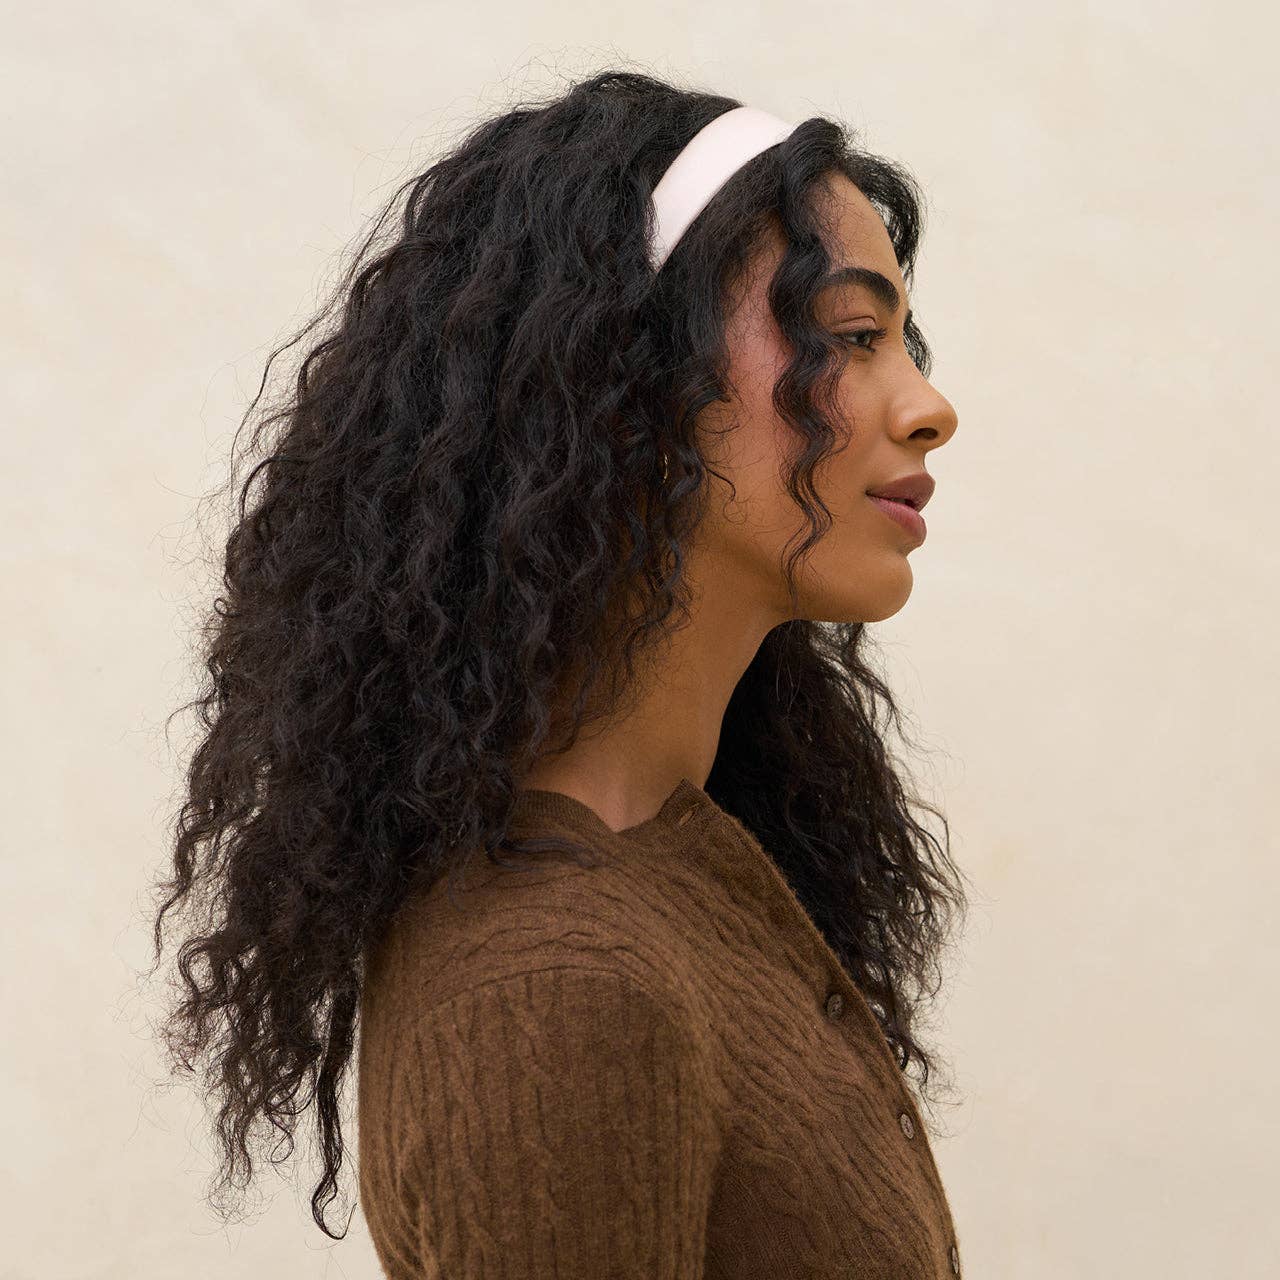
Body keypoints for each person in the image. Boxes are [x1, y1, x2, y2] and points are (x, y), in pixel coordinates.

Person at [149, 68, 970, 1278]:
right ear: (625, 382)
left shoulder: (672, 873)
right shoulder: (561, 991)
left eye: (902, 342)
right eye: (850, 337)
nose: (927, 406)